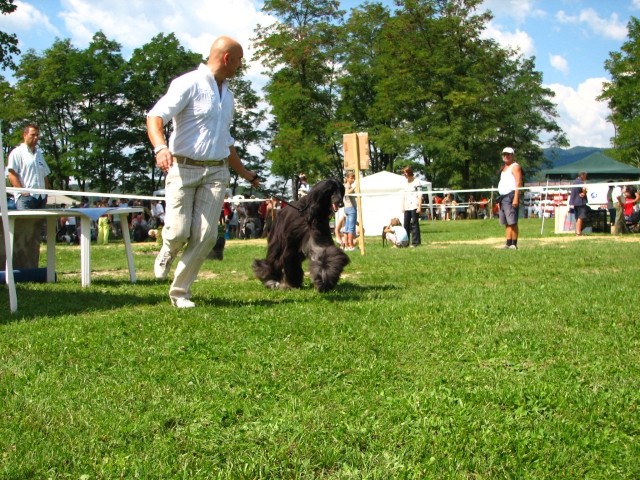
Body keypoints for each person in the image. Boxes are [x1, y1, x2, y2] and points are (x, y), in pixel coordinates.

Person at [147, 35, 259, 308]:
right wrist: (161, 148)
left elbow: (226, 140)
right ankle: (168, 249)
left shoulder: (229, 96)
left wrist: (245, 173)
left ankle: (180, 292)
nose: (240, 66)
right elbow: (155, 116)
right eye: (240, 60)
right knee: (178, 232)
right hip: (182, 168)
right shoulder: (188, 83)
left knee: (207, 236)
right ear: (227, 58)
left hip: (216, 173)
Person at [7, 124, 51, 210]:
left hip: (41, 198)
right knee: (26, 223)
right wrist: (23, 191)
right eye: (33, 135)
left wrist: (45, 194)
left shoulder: (39, 154)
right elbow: (12, 175)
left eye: (37, 135)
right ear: (25, 135)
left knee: (40, 223)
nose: (36, 138)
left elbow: (45, 176)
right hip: (25, 198)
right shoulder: (17, 153)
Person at [497, 147, 522, 249]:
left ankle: (514, 244)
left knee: (512, 221)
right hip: (502, 197)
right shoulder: (503, 168)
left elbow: (518, 182)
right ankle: (508, 243)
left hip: (510, 195)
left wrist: (516, 197)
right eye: (504, 154)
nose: (506, 156)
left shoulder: (515, 167)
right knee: (506, 222)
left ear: (512, 155)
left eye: (508, 154)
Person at [401, 166, 422, 247]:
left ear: (409, 172)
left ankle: (415, 242)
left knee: (414, 224)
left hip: (414, 205)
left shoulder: (417, 182)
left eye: (405, 172)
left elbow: (420, 195)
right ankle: (405, 242)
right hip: (407, 206)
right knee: (406, 224)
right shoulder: (405, 183)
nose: (404, 174)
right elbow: (403, 195)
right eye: (403, 173)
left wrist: (419, 206)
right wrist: (402, 206)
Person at [569, 171, 588, 236]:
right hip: (580, 202)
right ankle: (578, 232)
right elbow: (584, 189)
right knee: (580, 217)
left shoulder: (574, 182)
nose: (586, 177)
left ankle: (577, 231)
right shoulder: (580, 182)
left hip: (575, 202)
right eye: (585, 176)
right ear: (582, 175)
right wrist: (584, 192)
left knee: (577, 217)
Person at [343, 171, 358, 251]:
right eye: (351, 178)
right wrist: (354, 187)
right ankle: (350, 246)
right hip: (351, 208)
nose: (353, 180)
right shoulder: (347, 186)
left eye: (353, 178)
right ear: (347, 178)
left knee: (347, 228)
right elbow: (347, 193)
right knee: (351, 228)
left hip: (348, 208)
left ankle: (346, 246)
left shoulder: (348, 186)